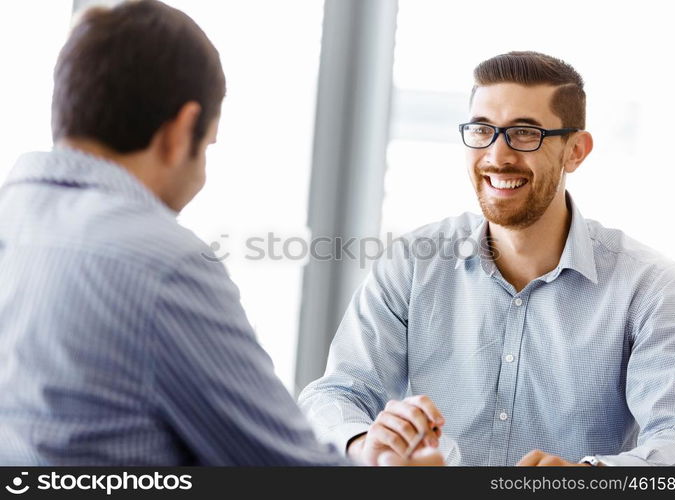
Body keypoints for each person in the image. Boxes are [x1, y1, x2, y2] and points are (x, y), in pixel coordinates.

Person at [0, 0, 441, 467]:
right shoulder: (161, 263)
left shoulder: (15, 216)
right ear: (181, 129)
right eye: (207, 147)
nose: (202, 175)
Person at [298, 51, 675, 466]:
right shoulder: (413, 263)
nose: (497, 155)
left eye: (525, 133)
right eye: (482, 130)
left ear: (575, 151)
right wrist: (365, 444)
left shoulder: (650, 287)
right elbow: (336, 394)